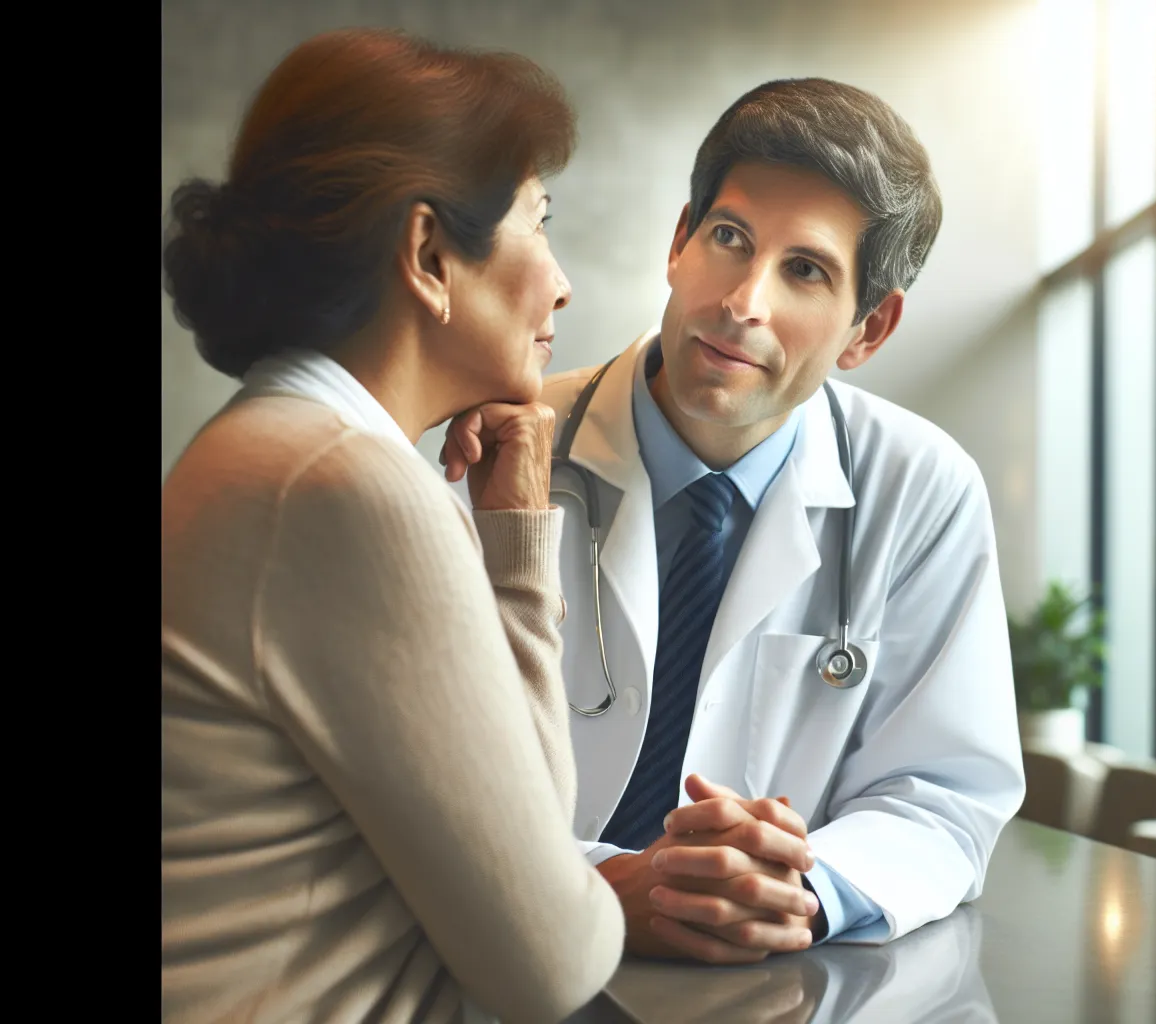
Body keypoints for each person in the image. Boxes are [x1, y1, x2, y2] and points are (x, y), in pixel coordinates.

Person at [442, 77, 1025, 965]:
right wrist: (597, 887)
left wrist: (801, 885)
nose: (744, 301)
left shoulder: (923, 488)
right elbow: (430, 767)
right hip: (513, 963)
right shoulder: (494, 448)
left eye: (805, 270)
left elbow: (945, 792)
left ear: (869, 329)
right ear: (679, 242)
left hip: (772, 981)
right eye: (729, 239)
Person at [161, 29, 623, 1022]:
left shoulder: (276, 447)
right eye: (539, 222)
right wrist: (616, 895)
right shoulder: (342, 485)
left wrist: (512, 529)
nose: (561, 282)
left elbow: (532, 845)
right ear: (428, 256)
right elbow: (555, 961)